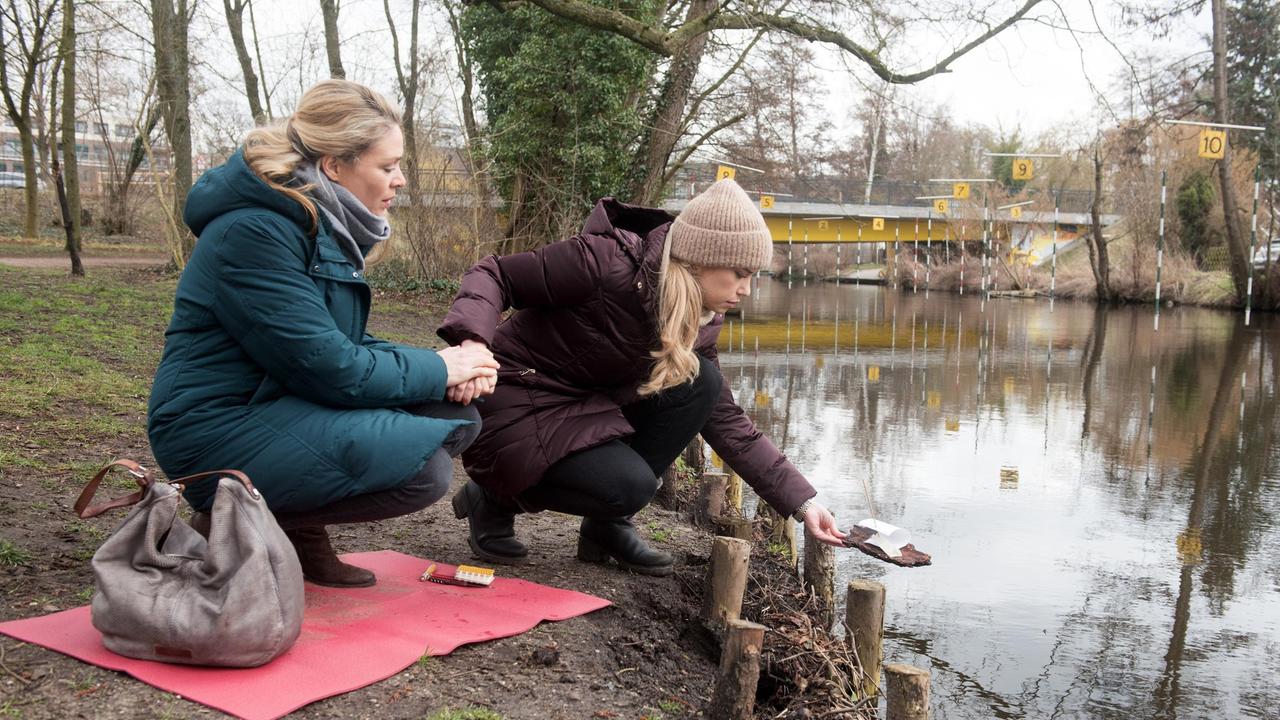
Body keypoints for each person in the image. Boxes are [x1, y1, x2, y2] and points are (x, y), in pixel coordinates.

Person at [147, 80, 498, 588]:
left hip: (277, 400)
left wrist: (446, 369)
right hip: (214, 426)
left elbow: (337, 345)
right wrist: (442, 367)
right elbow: (330, 366)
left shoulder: (313, 225)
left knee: (455, 415)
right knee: (424, 471)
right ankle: (231, 516)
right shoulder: (254, 233)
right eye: (387, 166)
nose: (400, 180)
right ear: (335, 165)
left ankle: (296, 530)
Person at [438, 179, 847, 577]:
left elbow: (726, 422)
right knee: (630, 485)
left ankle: (606, 526)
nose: (747, 289)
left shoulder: (701, 318)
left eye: (753, 275)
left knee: (699, 381)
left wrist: (803, 504)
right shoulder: (602, 263)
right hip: (515, 397)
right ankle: (491, 499)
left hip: (582, 406)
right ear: (699, 258)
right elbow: (494, 275)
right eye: (739, 273)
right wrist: (473, 343)